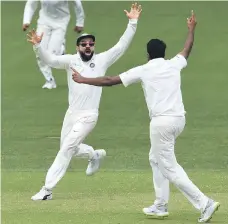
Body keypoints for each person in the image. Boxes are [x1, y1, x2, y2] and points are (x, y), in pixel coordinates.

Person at [70, 11, 220, 223]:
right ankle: (160, 205)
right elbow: (186, 50)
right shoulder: (173, 64)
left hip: (162, 123)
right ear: (163, 53)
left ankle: (205, 203)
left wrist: (84, 79)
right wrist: (191, 29)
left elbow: (110, 80)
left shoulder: (144, 69)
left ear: (148, 54)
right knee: (155, 158)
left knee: (170, 167)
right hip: (179, 120)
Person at [26, 2, 142, 201]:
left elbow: (121, 46)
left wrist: (132, 23)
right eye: (84, 44)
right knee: (69, 147)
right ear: (78, 47)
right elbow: (51, 61)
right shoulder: (71, 61)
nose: (88, 46)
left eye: (91, 44)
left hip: (89, 115)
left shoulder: (102, 59)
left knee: (67, 148)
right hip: (71, 114)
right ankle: (94, 154)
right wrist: (38, 46)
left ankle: (47, 189)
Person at [23, 0, 85, 89]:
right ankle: (49, 81)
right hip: (44, 22)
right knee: (39, 51)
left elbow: (77, 3)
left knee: (52, 56)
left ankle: (60, 49)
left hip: (61, 22)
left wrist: (80, 22)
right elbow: (31, 4)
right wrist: (26, 21)